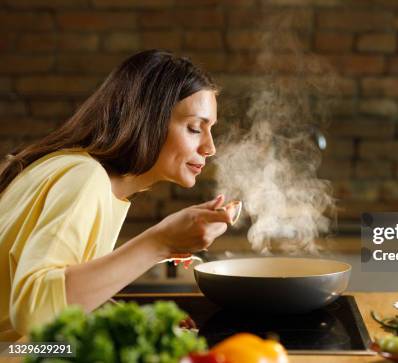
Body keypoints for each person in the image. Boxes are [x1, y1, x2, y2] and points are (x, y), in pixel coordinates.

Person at [0, 50, 233, 341]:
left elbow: (58, 299)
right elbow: (33, 314)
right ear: (149, 120)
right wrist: (160, 242)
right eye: (194, 128)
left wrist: (126, 320)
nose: (210, 147)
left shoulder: (82, 172)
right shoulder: (84, 177)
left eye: (210, 130)